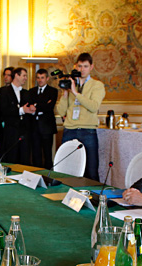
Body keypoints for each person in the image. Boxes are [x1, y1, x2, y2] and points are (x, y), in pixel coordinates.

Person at [55, 53, 105, 181]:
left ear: (91, 67)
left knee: (91, 170)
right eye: (80, 66)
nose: (82, 70)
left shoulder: (97, 85)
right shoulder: (71, 84)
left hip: (87, 130)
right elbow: (61, 111)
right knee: (66, 169)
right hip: (70, 130)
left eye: (85, 66)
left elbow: (93, 106)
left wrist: (75, 93)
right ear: (76, 67)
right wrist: (65, 93)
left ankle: (94, 199)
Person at [0, 67, 35, 164]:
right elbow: (3, 110)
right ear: (17, 75)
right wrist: (22, 110)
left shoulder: (27, 93)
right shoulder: (3, 91)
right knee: (11, 159)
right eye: (24, 75)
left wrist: (32, 110)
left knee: (24, 160)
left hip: (24, 132)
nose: (25, 78)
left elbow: (29, 110)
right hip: (10, 132)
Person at [28, 68, 58, 169]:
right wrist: (42, 104)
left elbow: (49, 107)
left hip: (47, 127)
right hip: (34, 127)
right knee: (35, 153)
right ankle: (37, 175)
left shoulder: (53, 91)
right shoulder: (31, 91)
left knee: (47, 154)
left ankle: (48, 176)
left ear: (47, 78)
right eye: (38, 78)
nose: (40, 80)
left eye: (42, 78)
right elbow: (30, 105)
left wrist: (36, 105)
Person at [0, 66, 15, 151]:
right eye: (5, 75)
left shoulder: (18, 91)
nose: (6, 77)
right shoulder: (0, 91)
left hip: (12, 126)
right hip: (1, 126)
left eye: (8, 75)